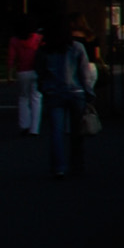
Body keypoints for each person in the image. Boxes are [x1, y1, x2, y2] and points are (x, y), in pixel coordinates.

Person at [33, 19, 97, 180]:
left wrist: (44, 87)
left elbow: (40, 71)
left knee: (56, 131)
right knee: (77, 132)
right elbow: (84, 73)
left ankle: (58, 167)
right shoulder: (77, 47)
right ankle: (77, 165)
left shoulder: (44, 50)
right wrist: (89, 92)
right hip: (75, 92)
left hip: (54, 92)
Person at [8, 15, 39, 136]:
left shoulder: (14, 40)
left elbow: (11, 58)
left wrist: (10, 75)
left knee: (23, 98)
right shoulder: (38, 38)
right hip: (35, 70)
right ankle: (34, 128)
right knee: (36, 98)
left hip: (22, 71)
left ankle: (24, 124)